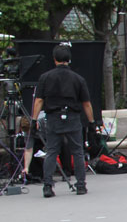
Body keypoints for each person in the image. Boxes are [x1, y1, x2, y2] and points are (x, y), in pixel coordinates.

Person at [32, 44, 95, 197]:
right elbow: (86, 103)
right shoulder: (78, 79)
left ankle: (48, 186)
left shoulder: (45, 78)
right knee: (77, 152)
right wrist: (91, 122)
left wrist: (34, 119)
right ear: (69, 60)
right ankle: (81, 185)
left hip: (53, 117)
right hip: (72, 116)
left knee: (52, 151)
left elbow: (39, 100)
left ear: (54, 60)